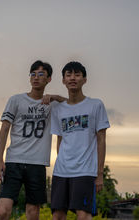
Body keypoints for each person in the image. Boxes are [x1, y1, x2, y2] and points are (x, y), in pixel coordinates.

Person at [0, 60, 65, 220]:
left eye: (41, 74)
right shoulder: (16, 100)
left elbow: (72, 103)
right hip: (14, 161)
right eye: (33, 74)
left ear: (49, 79)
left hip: (37, 163)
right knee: (4, 210)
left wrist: (55, 96)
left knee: (33, 212)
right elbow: (4, 128)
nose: (36, 78)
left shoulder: (52, 105)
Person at [51, 61, 110, 220]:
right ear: (63, 80)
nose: (72, 78)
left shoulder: (95, 105)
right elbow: (59, 140)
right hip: (61, 171)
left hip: (85, 171)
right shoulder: (58, 109)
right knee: (57, 216)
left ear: (84, 79)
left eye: (77, 75)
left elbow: (101, 140)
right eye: (68, 75)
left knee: (83, 215)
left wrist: (99, 174)